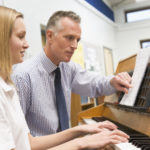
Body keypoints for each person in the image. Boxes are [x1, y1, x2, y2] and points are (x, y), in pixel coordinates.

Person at [0, 6, 129, 150]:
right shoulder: (22, 76)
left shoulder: (68, 68)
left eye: (77, 40)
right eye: (69, 38)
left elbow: (95, 84)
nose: (74, 45)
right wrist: (81, 141)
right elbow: (24, 143)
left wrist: (113, 81)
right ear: (49, 36)